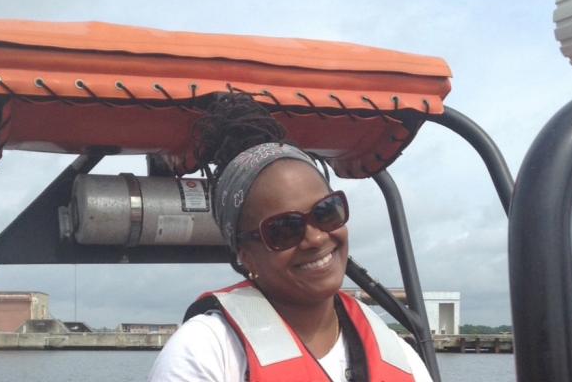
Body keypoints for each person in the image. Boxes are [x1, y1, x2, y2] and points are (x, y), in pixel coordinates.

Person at [148, 94, 433, 381]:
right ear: (245, 254)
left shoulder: (402, 358)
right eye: (284, 228)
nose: (316, 238)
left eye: (326, 211)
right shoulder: (207, 353)